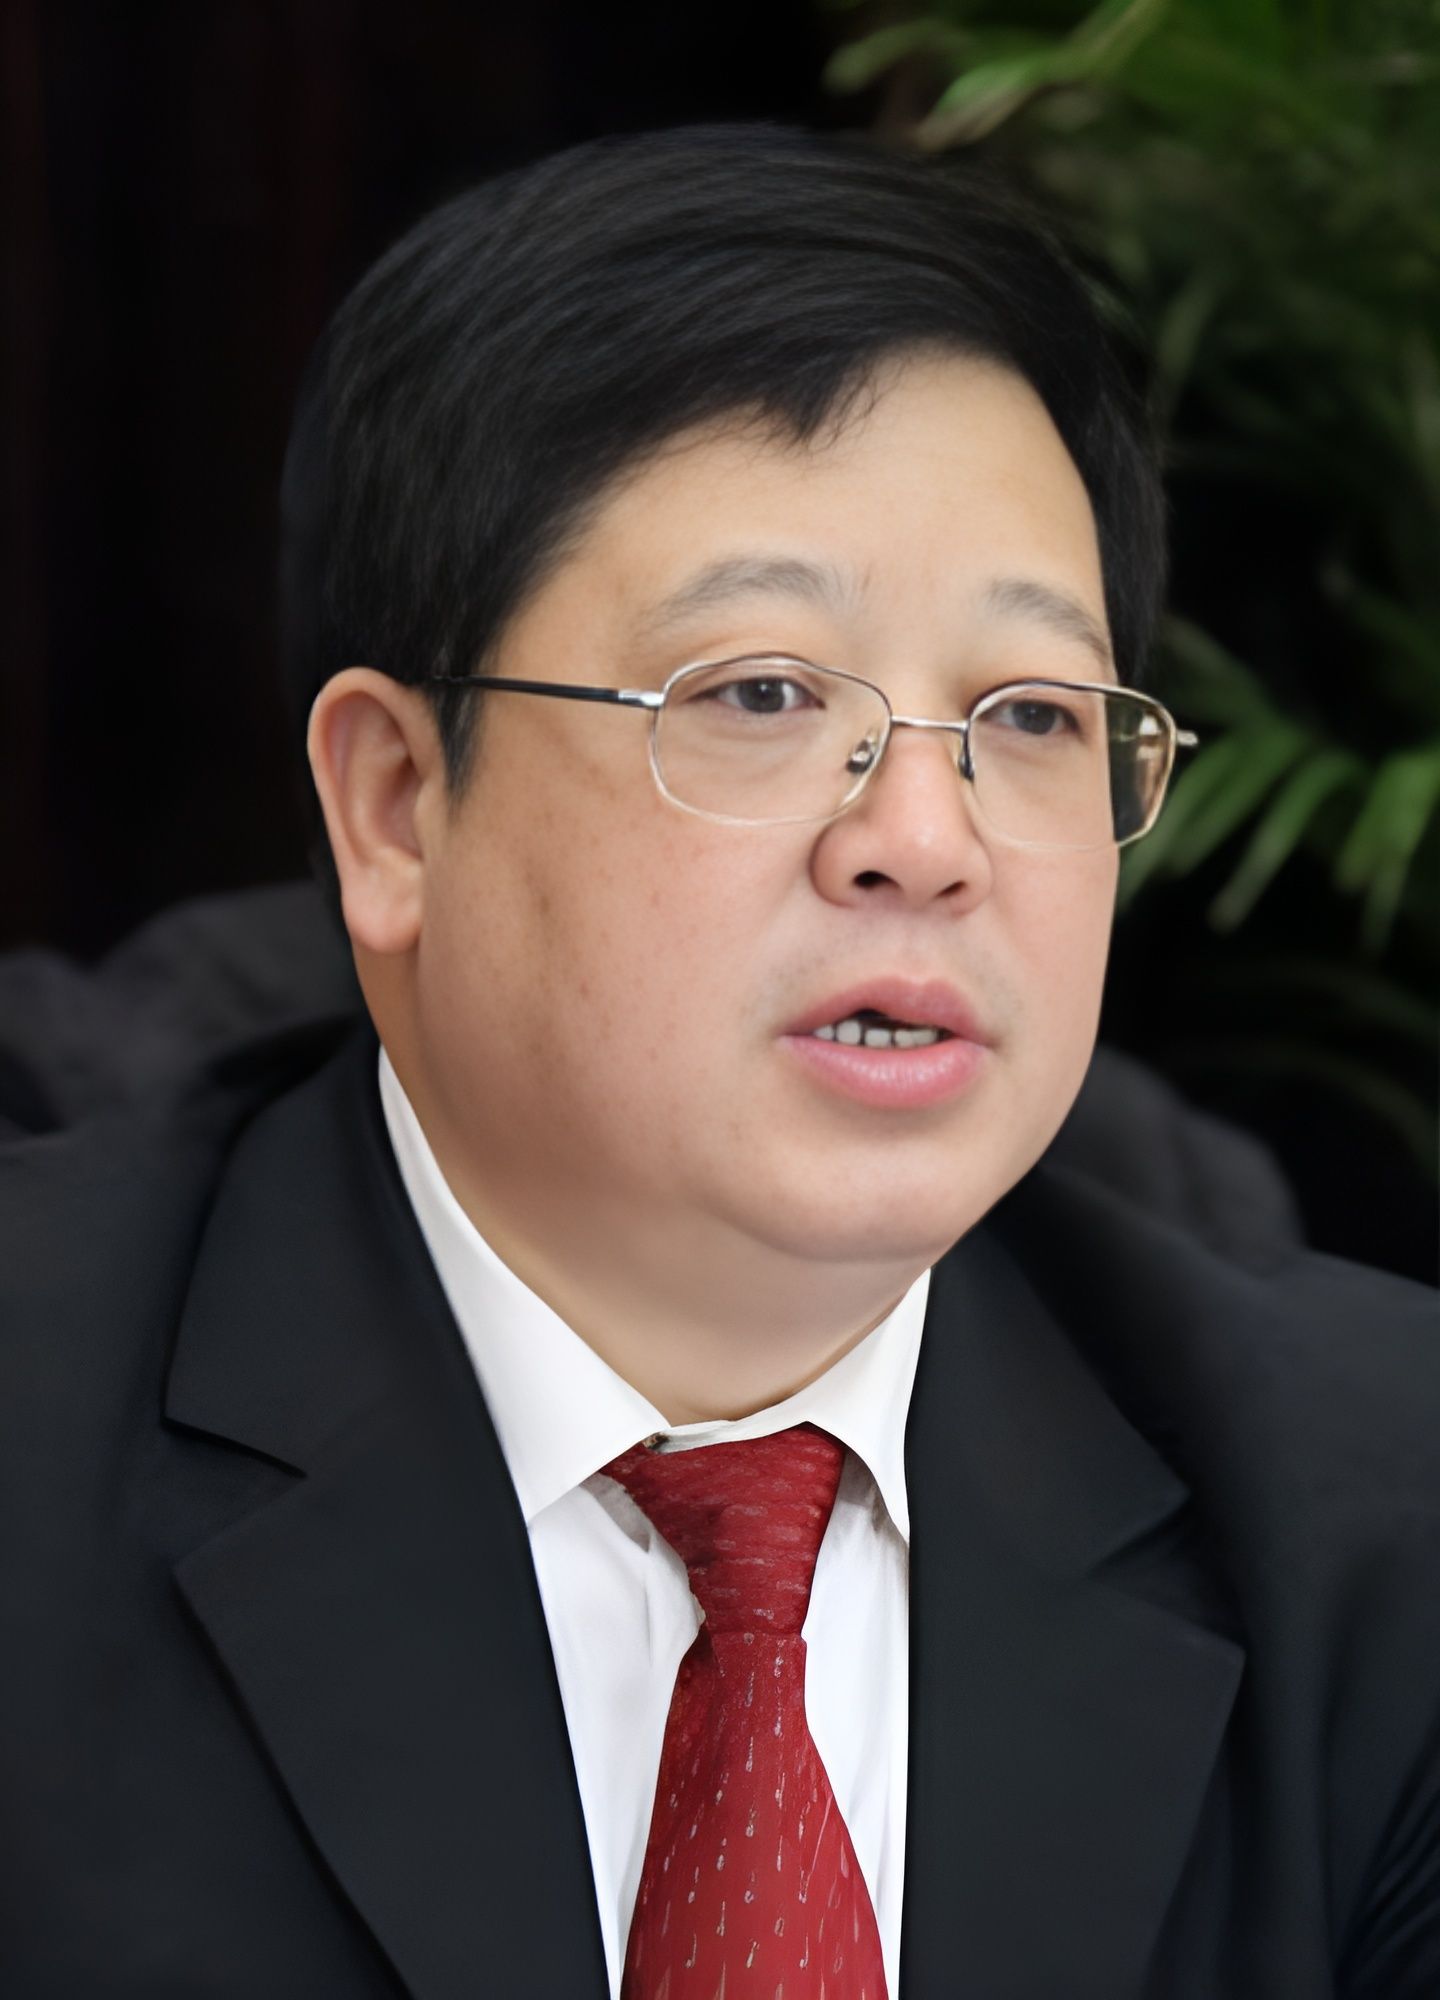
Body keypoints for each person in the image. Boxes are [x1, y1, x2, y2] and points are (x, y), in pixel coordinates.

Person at [1, 124, 1435, 2000]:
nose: (925, 839)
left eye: (1028, 716)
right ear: (398, 804)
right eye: (763, 694)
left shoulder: (1383, 1523)